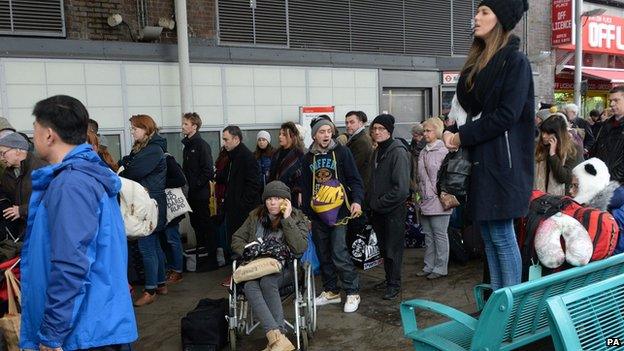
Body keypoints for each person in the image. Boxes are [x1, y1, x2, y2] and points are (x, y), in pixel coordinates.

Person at [20, 95, 137, 350]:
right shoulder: (87, 175)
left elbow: (71, 263)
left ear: (49, 135)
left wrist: (52, 333)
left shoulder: (71, 184)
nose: (33, 137)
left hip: (83, 334)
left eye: (35, 130)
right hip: (95, 325)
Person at [443, 0, 534, 290]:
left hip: (504, 165)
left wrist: (461, 136)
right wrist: (452, 131)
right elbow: (471, 110)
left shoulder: (515, 62)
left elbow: (507, 115)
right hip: (482, 162)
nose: (476, 17)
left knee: (502, 236)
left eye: (484, 12)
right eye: (478, 11)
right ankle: (498, 304)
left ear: (500, 19)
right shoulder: (479, 62)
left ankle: (508, 310)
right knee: (490, 236)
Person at [231, 181, 308, 351]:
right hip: (256, 266)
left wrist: (287, 219)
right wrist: (249, 250)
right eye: (269, 199)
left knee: (267, 282)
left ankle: (276, 339)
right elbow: (237, 238)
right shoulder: (255, 216)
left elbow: (300, 248)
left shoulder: (296, 217)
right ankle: (278, 339)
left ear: (286, 201)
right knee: (250, 285)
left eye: (278, 198)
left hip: (285, 269)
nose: (272, 202)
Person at [302, 116, 364, 312]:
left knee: (338, 251)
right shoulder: (307, 158)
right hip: (317, 214)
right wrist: (307, 215)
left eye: (329, 131)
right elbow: (304, 188)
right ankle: (331, 292)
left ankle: (352, 292)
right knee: (323, 253)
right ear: (314, 135)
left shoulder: (342, 152)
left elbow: (355, 179)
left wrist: (356, 201)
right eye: (322, 132)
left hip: (340, 212)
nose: (326, 135)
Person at [119, 114, 168, 306]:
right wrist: (127, 163)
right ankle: (160, 283)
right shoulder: (148, 148)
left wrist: (125, 165)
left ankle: (150, 290)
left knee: (146, 247)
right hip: (150, 203)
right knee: (154, 245)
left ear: (146, 129)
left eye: (134, 129)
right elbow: (129, 163)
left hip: (148, 205)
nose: (132, 132)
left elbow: (133, 171)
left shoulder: (152, 149)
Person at [366, 114, 410, 299]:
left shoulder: (397, 152)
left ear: (389, 131)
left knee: (393, 249)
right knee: (384, 248)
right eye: (374, 129)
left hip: (393, 210)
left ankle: (394, 284)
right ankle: (389, 279)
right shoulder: (378, 151)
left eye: (381, 129)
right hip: (378, 210)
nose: (377, 132)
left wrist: (378, 202)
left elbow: (401, 189)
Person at [416, 117, 451, 280]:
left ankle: (440, 267)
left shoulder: (444, 150)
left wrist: (439, 193)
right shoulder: (423, 151)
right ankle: (429, 265)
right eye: (424, 130)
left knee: (439, 235)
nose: (425, 133)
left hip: (439, 199)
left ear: (437, 131)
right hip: (425, 199)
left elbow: (445, 177)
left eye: (428, 130)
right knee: (429, 236)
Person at [181, 112, 217, 269]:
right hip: (191, 194)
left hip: (200, 194)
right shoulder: (187, 147)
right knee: (196, 224)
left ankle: (212, 257)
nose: (182, 126)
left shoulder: (201, 146)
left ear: (194, 126)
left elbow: (208, 171)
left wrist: (195, 185)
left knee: (205, 225)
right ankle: (202, 255)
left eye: (186, 124)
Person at [222, 125, 262, 252]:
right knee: (235, 239)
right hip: (234, 207)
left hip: (243, 210)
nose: (224, 143)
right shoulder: (231, 157)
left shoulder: (246, 157)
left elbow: (254, 184)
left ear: (236, 139)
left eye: (226, 139)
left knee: (243, 241)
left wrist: (242, 204)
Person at [0, 132, 47, 238]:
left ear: (18, 150)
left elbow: (50, 201)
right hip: (22, 232)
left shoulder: (42, 168)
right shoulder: (7, 174)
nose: (1, 158)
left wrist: (22, 210)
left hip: (42, 230)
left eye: (3, 153)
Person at [534, 113, 583, 195]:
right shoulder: (541, 147)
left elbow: (564, 178)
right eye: (543, 132)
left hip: (563, 197)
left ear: (558, 134)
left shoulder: (573, 149)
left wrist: (553, 155)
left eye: (548, 133)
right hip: (541, 197)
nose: (544, 136)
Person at [590, 86, 624, 183]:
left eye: (616, 100)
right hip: (601, 179)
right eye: (611, 101)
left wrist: (611, 179)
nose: (612, 104)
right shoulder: (606, 123)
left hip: (617, 184)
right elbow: (597, 148)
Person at [269, 122, 305, 208]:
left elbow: (302, 177)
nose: (280, 137)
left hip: (292, 196)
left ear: (292, 137)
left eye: (284, 135)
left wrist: (300, 192)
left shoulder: (298, 154)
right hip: (275, 194)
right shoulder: (276, 153)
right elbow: (272, 174)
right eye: (280, 134)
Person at [344, 111, 373, 187]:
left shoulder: (361, 141)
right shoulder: (357, 138)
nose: (348, 125)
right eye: (346, 123)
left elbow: (353, 166)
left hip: (361, 185)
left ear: (360, 123)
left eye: (352, 122)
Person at [409, 123, 427, 198]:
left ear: (421, 135)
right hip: (415, 173)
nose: (414, 138)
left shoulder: (425, 146)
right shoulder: (414, 144)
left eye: (415, 136)